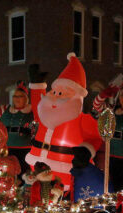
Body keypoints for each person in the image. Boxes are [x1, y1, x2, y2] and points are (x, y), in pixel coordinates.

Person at [26, 53, 103, 191]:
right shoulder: (45, 114)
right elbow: (39, 104)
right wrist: (37, 85)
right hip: (37, 169)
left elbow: (95, 137)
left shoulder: (82, 120)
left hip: (64, 175)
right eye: (54, 92)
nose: (55, 97)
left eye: (61, 94)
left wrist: (86, 150)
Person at [0, 81, 35, 177]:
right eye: (15, 96)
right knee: (8, 173)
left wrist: (30, 130)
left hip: (25, 149)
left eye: (20, 96)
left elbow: (38, 122)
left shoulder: (32, 110)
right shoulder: (5, 109)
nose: (17, 99)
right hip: (7, 148)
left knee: (24, 175)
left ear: (26, 98)